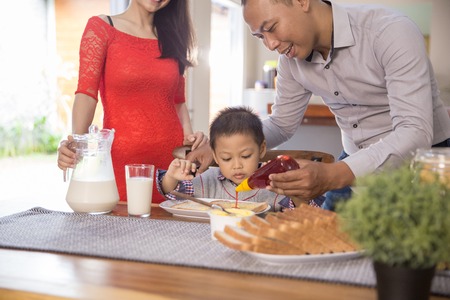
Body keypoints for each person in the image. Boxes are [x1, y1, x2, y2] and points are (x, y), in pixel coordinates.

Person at [188, 0, 450, 210]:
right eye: (260, 37)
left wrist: (333, 175)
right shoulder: (290, 61)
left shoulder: (389, 32)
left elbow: (414, 132)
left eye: (271, 27)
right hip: (352, 165)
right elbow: (281, 123)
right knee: (321, 249)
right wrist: (219, 147)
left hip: (424, 165)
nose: (270, 44)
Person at [57, 0, 207, 204]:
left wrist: (190, 142)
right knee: (118, 231)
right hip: (121, 163)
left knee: (169, 232)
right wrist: (77, 143)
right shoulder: (102, 28)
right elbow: (86, 94)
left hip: (170, 166)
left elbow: (178, 102)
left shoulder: (172, 36)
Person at [157, 106, 297, 211]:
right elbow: (173, 193)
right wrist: (171, 176)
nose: (237, 165)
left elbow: (302, 208)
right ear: (216, 157)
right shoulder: (207, 181)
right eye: (226, 158)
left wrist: (289, 186)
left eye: (245, 156)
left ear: (261, 149)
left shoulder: (272, 183)